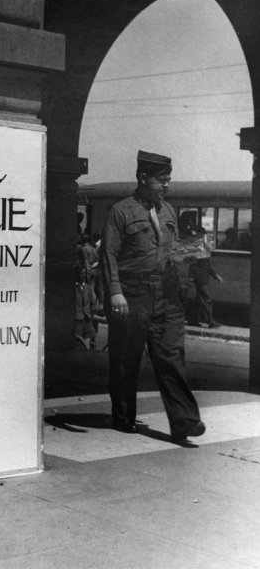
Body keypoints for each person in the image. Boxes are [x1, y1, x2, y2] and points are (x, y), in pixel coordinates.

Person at [100, 150, 205, 445]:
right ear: (144, 178)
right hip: (133, 294)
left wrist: (192, 251)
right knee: (125, 358)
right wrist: (115, 292)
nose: (166, 185)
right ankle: (123, 416)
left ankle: (184, 420)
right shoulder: (121, 212)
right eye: (162, 180)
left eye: (168, 180)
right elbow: (108, 253)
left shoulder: (169, 211)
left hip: (167, 294)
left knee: (171, 355)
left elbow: (171, 250)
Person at [188, 252, 223, 328]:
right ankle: (210, 322)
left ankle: (192, 320)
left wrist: (216, 276)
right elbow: (193, 265)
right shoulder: (198, 250)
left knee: (198, 301)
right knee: (207, 300)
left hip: (202, 279)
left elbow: (207, 266)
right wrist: (191, 277)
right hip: (200, 280)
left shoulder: (203, 251)